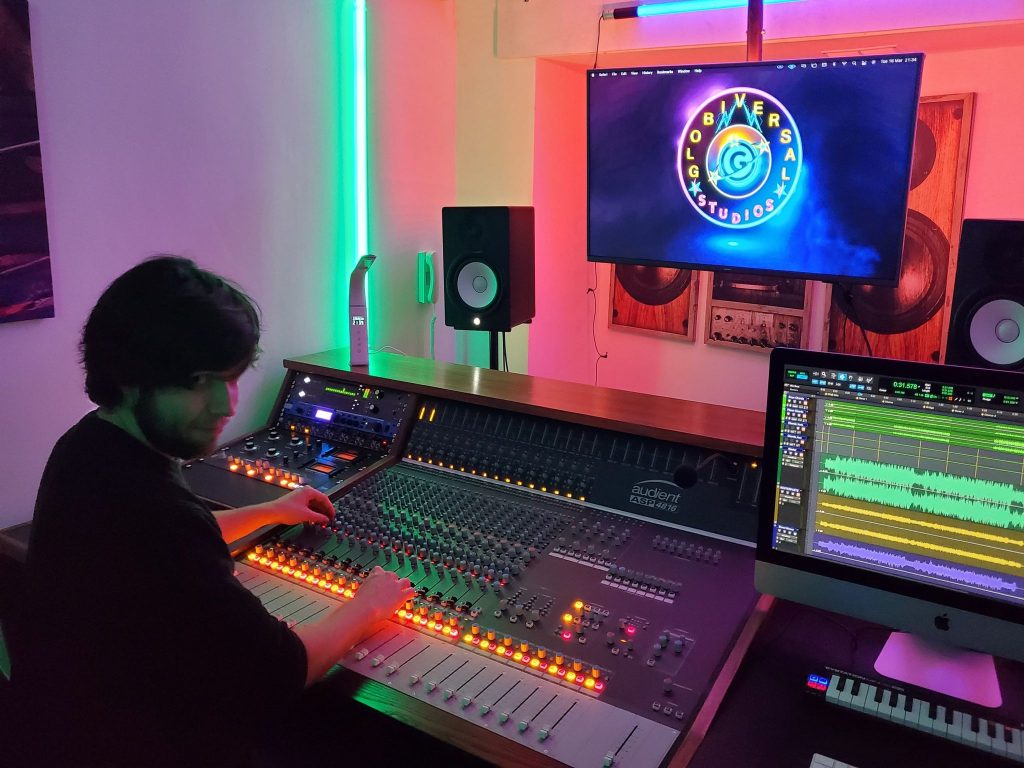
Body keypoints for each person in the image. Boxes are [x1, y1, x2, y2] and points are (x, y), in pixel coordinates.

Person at [11, 256, 414, 767]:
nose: (227, 405)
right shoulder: (156, 515)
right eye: (201, 381)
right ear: (132, 376)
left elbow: (169, 545)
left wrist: (270, 511)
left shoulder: (89, 445)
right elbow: (282, 670)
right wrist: (368, 606)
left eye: (233, 377)